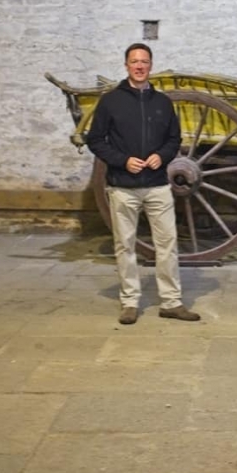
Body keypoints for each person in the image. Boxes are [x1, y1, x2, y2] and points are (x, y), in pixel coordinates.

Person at [87, 43, 200, 325]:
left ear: (150, 66)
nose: (139, 66)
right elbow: (96, 140)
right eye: (134, 61)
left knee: (168, 244)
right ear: (126, 65)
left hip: (157, 186)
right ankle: (129, 302)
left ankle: (171, 302)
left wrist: (160, 157)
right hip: (123, 186)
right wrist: (122, 161)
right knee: (124, 245)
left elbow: (174, 139)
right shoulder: (111, 101)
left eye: (144, 62)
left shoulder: (162, 102)